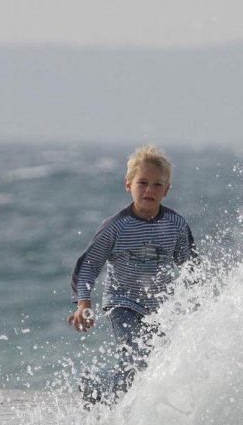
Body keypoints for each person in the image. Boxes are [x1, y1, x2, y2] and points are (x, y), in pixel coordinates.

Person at [68, 144, 197, 408]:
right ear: (128, 185)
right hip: (122, 304)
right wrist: (83, 304)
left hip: (161, 309)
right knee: (136, 357)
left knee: (151, 364)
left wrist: (198, 301)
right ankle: (109, 397)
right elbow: (89, 265)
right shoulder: (116, 226)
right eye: (143, 183)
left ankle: (98, 385)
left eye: (157, 184)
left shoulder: (176, 225)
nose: (149, 189)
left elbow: (192, 268)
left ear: (167, 189)